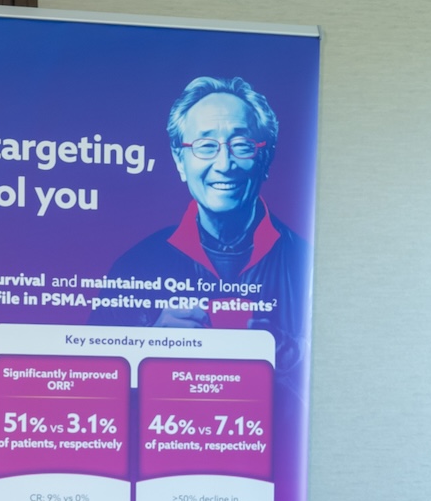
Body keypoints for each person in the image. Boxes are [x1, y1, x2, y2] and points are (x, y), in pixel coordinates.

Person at [92, 75, 311, 410]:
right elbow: (94, 395)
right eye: (206, 146)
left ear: (265, 159)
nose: (224, 165)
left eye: (242, 145)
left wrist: (296, 361)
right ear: (180, 160)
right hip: (166, 439)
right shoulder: (134, 267)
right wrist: (146, 351)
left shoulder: (308, 266)